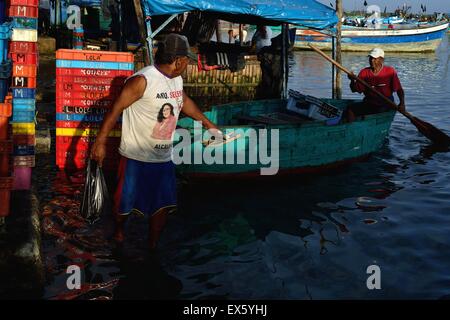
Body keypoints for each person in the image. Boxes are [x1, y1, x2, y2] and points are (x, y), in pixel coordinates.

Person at [90, 33, 221, 250]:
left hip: (163, 158)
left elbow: (184, 101)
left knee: (163, 204)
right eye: (187, 60)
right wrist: (100, 142)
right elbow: (115, 110)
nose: (188, 64)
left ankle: (152, 245)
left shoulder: (176, 80)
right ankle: (120, 232)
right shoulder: (142, 81)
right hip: (135, 157)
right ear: (178, 61)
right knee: (124, 204)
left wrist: (208, 124)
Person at [346, 48, 406, 122]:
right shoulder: (364, 72)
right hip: (370, 103)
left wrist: (402, 103)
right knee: (350, 109)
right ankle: (352, 129)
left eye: (375, 59)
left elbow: (399, 89)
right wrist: (352, 80)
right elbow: (354, 90)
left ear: (381, 60)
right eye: (371, 58)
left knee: (381, 110)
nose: (372, 61)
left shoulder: (390, 71)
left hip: (385, 103)